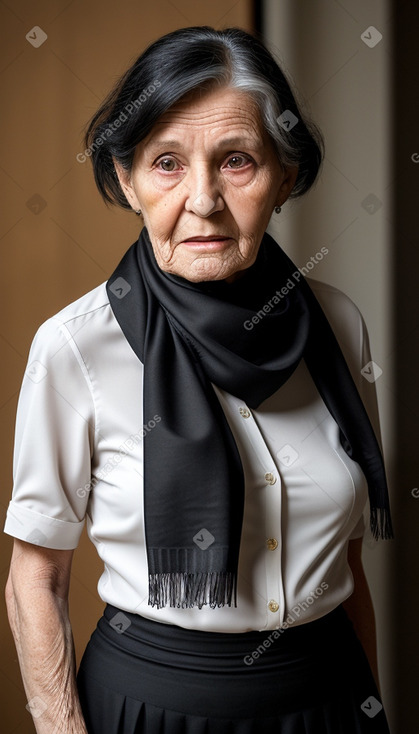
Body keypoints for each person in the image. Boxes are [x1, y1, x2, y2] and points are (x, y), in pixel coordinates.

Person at [4, 25, 393, 734]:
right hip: (152, 708)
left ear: (284, 175)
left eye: (236, 161)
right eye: (166, 164)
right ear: (126, 180)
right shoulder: (73, 346)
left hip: (330, 698)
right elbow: (35, 575)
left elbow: (346, 561)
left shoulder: (337, 325)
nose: (203, 199)